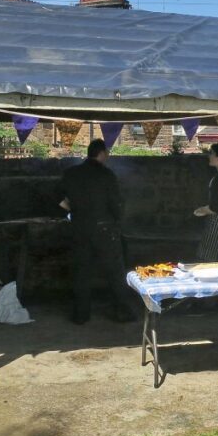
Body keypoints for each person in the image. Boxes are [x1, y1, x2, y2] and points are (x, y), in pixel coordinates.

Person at [60, 139, 137, 325]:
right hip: (104, 229)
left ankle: (81, 315)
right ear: (101, 153)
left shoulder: (71, 173)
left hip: (79, 228)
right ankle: (122, 312)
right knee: (115, 272)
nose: (108, 156)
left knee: (81, 272)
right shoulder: (107, 175)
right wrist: (119, 221)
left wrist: (72, 210)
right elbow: (116, 203)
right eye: (107, 153)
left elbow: (57, 198)